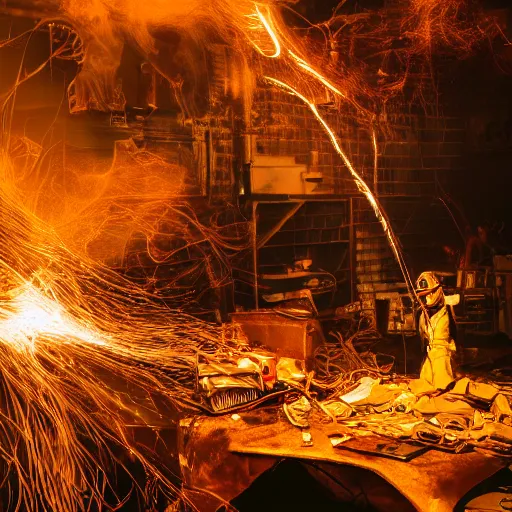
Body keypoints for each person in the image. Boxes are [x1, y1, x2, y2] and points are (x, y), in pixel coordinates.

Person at [416, 271, 459, 390]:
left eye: (430, 293)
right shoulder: (422, 314)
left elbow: (455, 333)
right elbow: (422, 338)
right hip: (430, 355)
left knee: (442, 385)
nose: (428, 297)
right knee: (424, 386)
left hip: (443, 354)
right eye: (425, 295)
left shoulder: (447, 309)